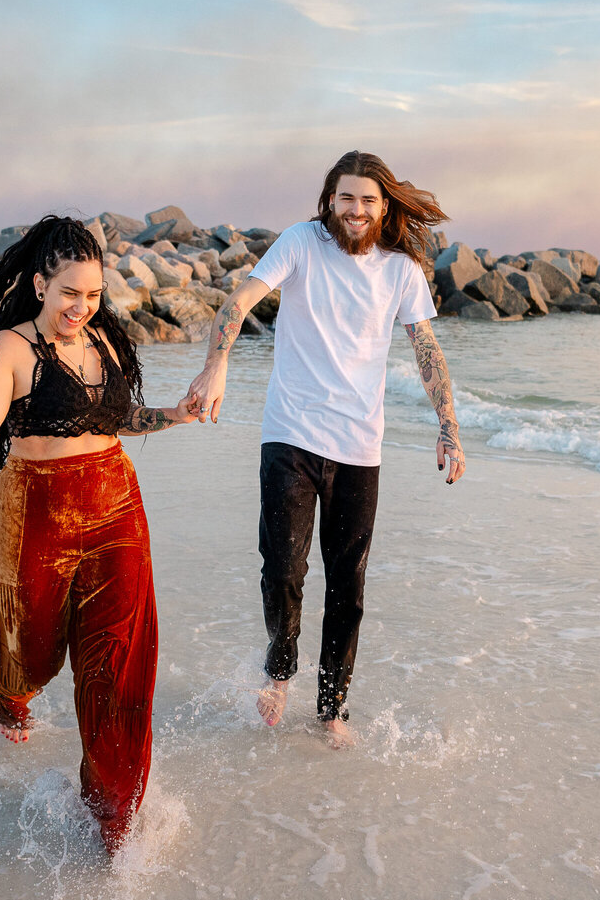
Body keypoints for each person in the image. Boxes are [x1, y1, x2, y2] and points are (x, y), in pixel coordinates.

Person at [0, 215, 197, 853]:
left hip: (117, 509)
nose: (83, 307)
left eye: (95, 295)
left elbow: (117, 418)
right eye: (70, 292)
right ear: (42, 284)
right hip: (36, 513)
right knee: (26, 646)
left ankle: (112, 812)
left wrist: (176, 415)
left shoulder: (104, 341)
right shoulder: (11, 350)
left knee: (118, 663)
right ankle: (10, 695)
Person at [185, 150, 464, 748]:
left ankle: (332, 708)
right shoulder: (301, 243)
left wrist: (448, 425)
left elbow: (426, 350)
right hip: (290, 432)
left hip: (360, 445)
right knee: (283, 567)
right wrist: (217, 366)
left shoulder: (400, 271)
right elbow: (239, 300)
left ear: (383, 205)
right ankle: (279, 670)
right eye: (346, 198)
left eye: (367, 200)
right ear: (329, 200)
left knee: (348, 585)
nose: (355, 210)